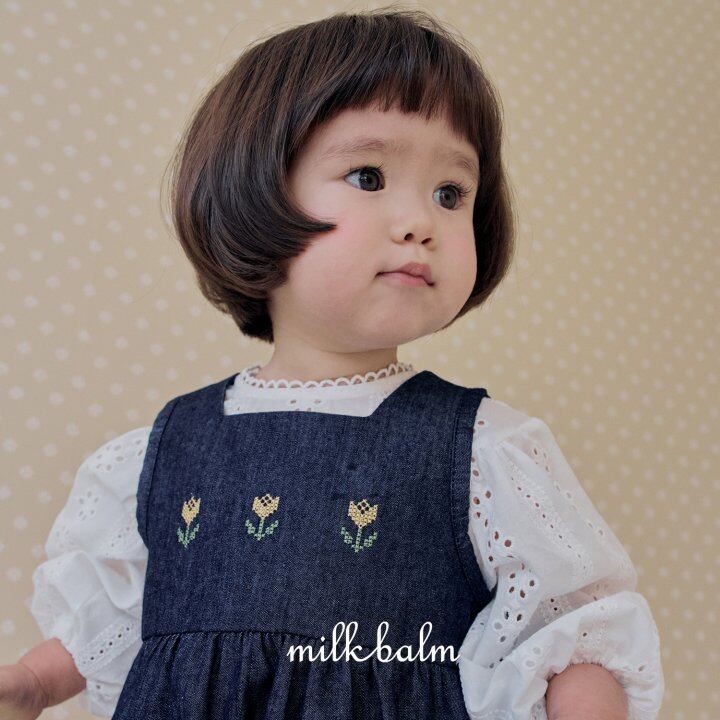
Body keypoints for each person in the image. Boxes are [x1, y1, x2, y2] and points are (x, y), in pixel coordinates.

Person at [1, 7, 664, 720]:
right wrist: (32, 684)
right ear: (252, 190)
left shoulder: (483, 452)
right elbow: (108, 620)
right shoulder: (157, 455)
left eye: (451, 194)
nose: (420, 222)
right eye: (369, 176)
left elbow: (573, 633)